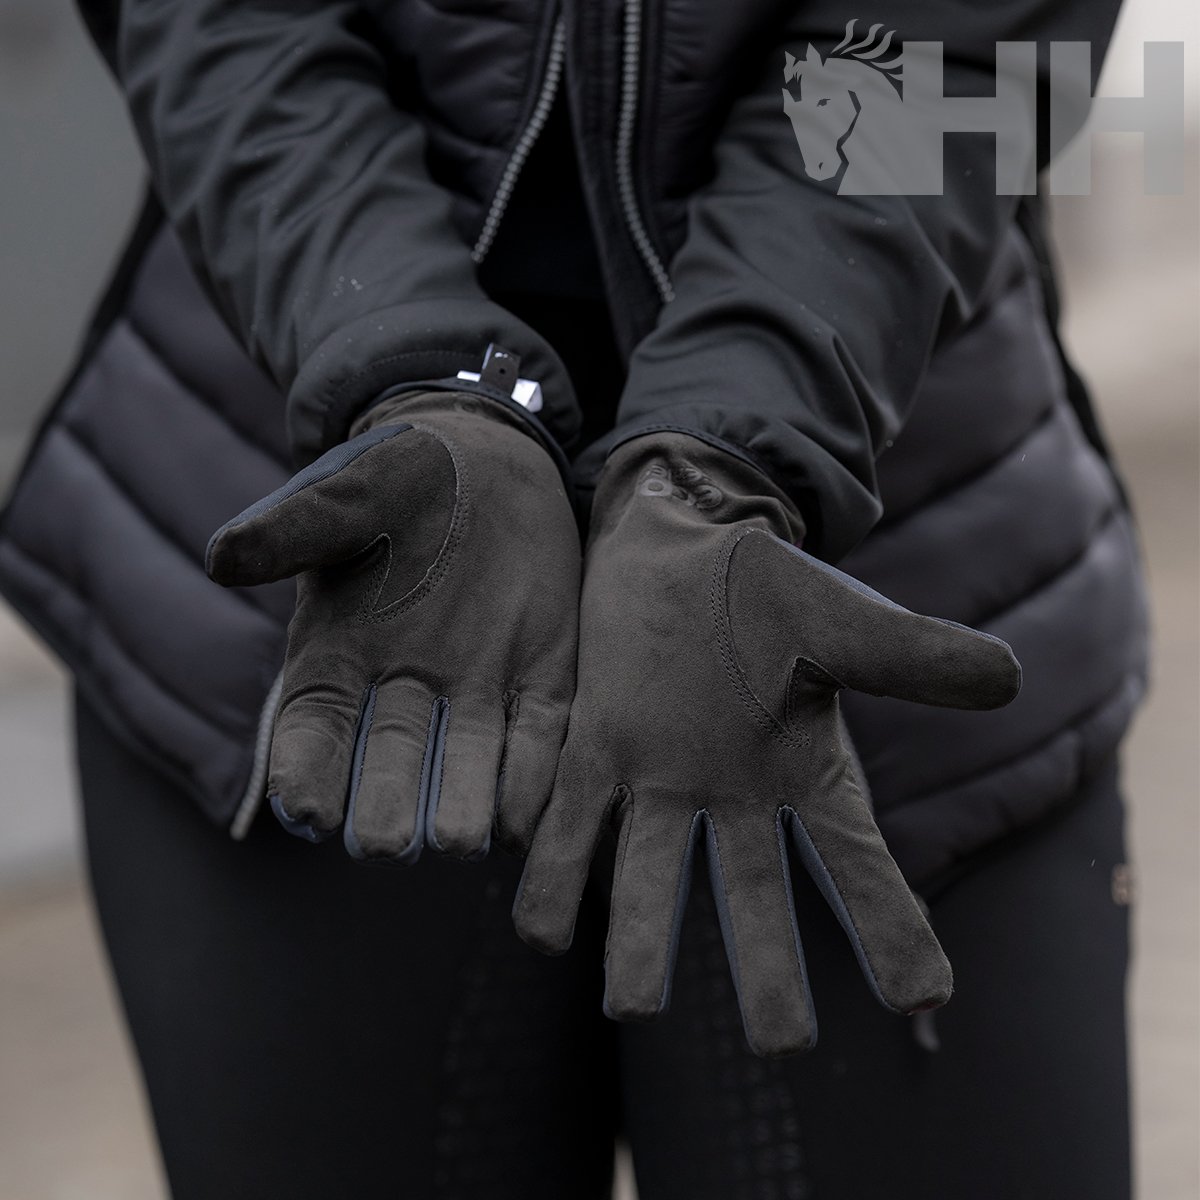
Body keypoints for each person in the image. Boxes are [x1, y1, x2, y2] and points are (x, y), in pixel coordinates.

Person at [0, 0, 1146, 1196]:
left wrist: (736, 439)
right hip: (339, 543)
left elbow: (953, 43)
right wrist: (404, 360)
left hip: (866, 551)